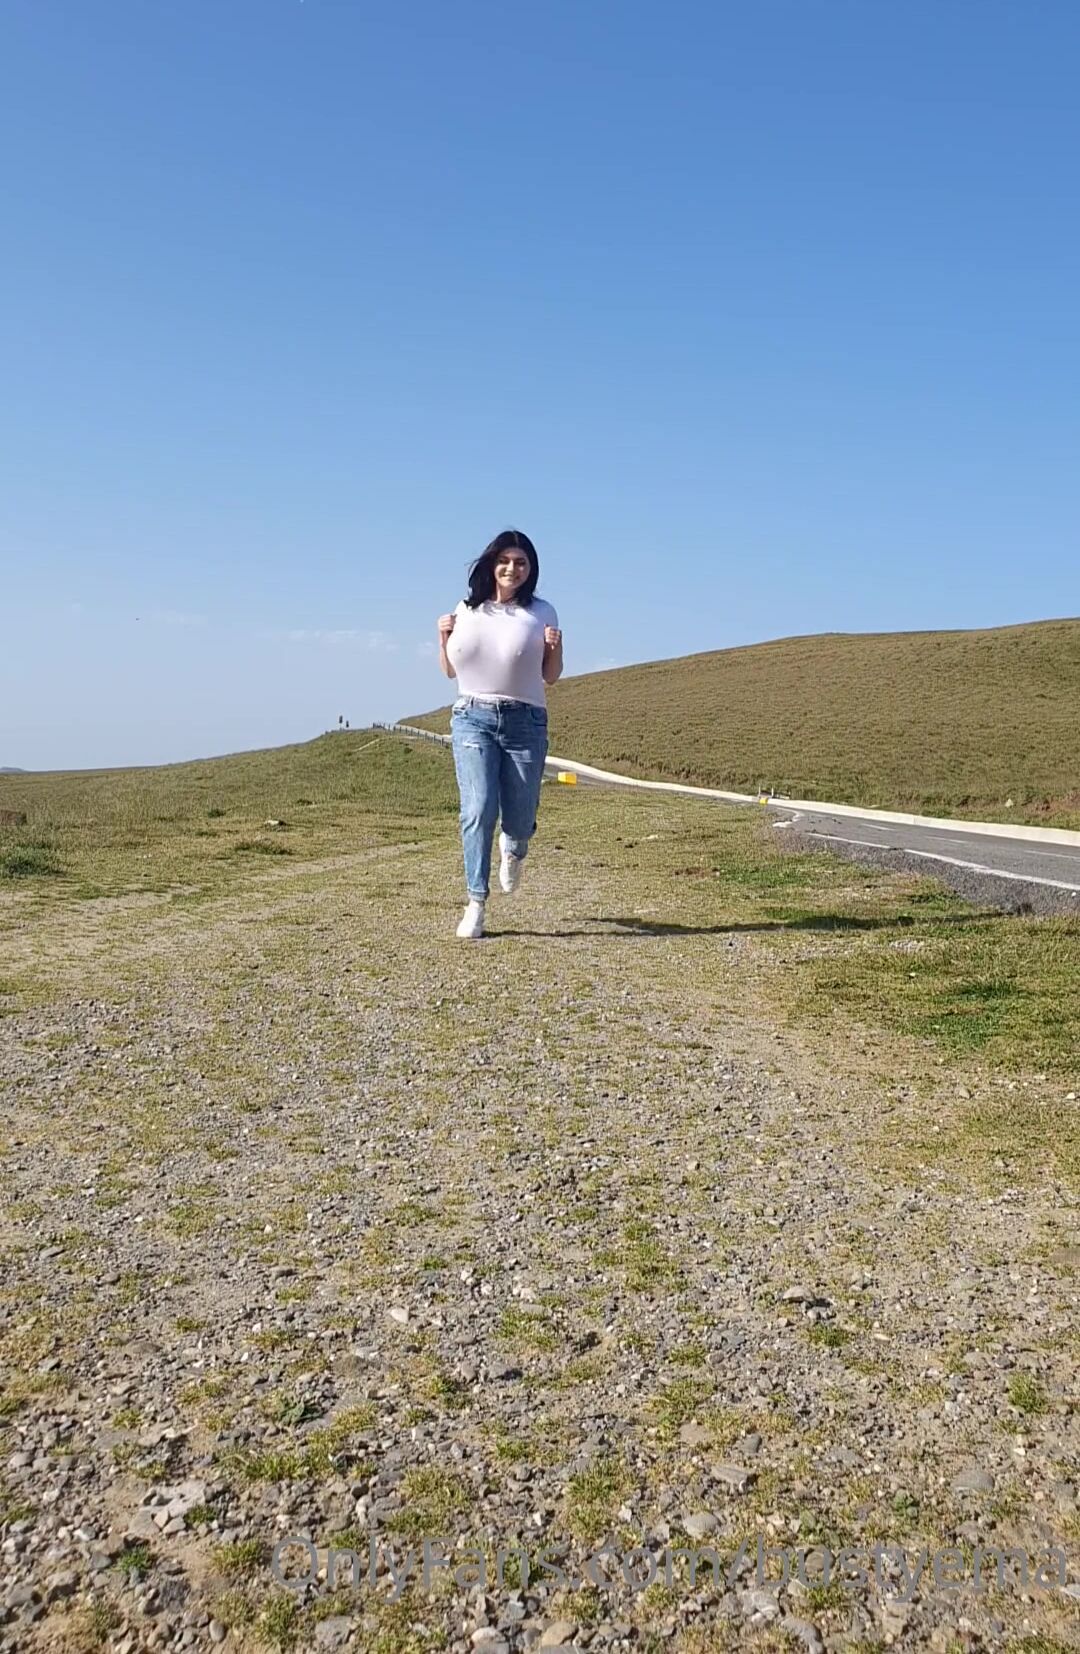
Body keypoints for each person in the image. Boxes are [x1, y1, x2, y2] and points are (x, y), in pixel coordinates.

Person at [437, 529, 563, 939]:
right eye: (505, 561)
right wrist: (442, 637)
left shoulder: (541, 612)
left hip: (525, 721)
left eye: (521, 563)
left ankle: (515, 847)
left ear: (530, 569)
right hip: (471, 717)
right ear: (492, 564)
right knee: (478, 808)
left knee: (520, 817)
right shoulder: (467, 608)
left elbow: (551, 676)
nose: (512, 569)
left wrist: (555, 647)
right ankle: (476, 903)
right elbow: (451, 670)